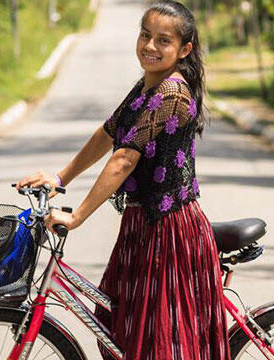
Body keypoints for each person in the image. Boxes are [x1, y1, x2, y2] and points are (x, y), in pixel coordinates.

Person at [16, 1, 231, 359]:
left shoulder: (171, 92)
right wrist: (59, 178)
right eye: (145, 35)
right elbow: (108, 133)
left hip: (168, 231)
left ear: (184, 50)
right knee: (128, 333)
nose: (150, 46)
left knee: (159, 343)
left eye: (163, 40)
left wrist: (77, 216)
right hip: (142, 227)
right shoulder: (148, 86)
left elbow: (124, 158)